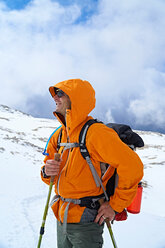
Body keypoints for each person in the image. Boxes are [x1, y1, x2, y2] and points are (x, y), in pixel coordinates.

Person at [41, 78, 143, 248]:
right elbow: (48, 176)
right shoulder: (59, 135)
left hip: (87, 220)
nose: (55, 98)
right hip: (61, 216)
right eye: (55, 94)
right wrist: (46, 171)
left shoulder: (96, 133)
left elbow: (132, 166)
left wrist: (115, 206)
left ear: (76, 98)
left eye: (60, 93)